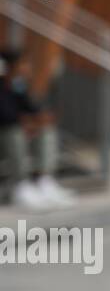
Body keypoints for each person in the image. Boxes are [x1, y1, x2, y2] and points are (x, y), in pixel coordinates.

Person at [1, 48, 76, 211]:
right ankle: (20, 185)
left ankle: (44, 181)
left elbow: (31, 109)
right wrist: (27, 122)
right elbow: (6, 117)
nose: (27, 68)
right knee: (15, 133)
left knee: (45, 131)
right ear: (9, 66)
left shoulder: (18, 86)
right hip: (6, 136)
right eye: (23, 64)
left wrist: (41, 119)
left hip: (19, 130)